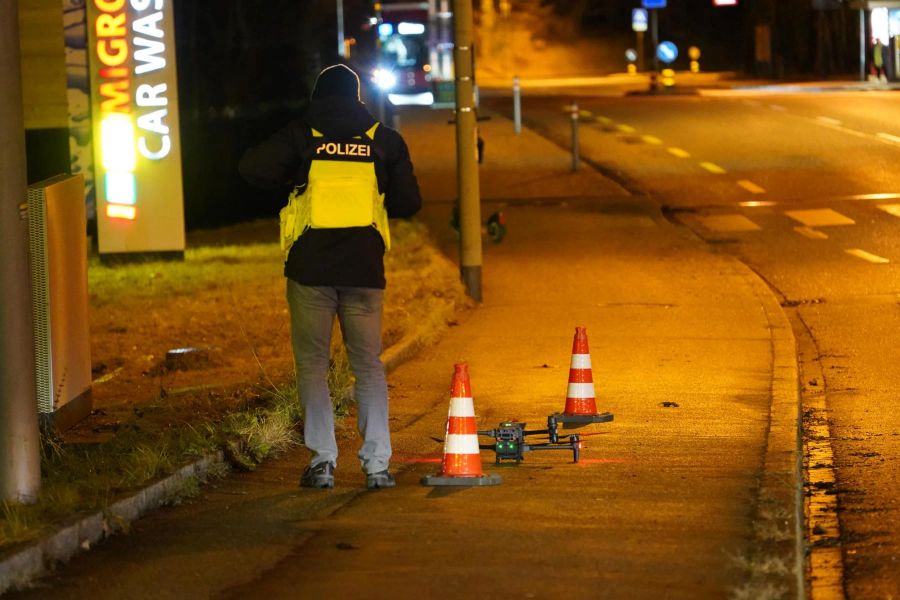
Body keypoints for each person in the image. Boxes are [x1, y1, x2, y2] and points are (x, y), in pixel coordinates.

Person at [239, 64, 422, 489]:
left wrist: (293, 176)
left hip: (310, 272)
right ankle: (377, 464)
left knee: (312, 366)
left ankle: (322, 461)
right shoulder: (383, 140)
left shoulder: (302, 135)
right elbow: (409, 202)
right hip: (364, 272)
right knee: (369, 367)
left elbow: (251, 168)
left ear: (318, 98)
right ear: (358, 98)